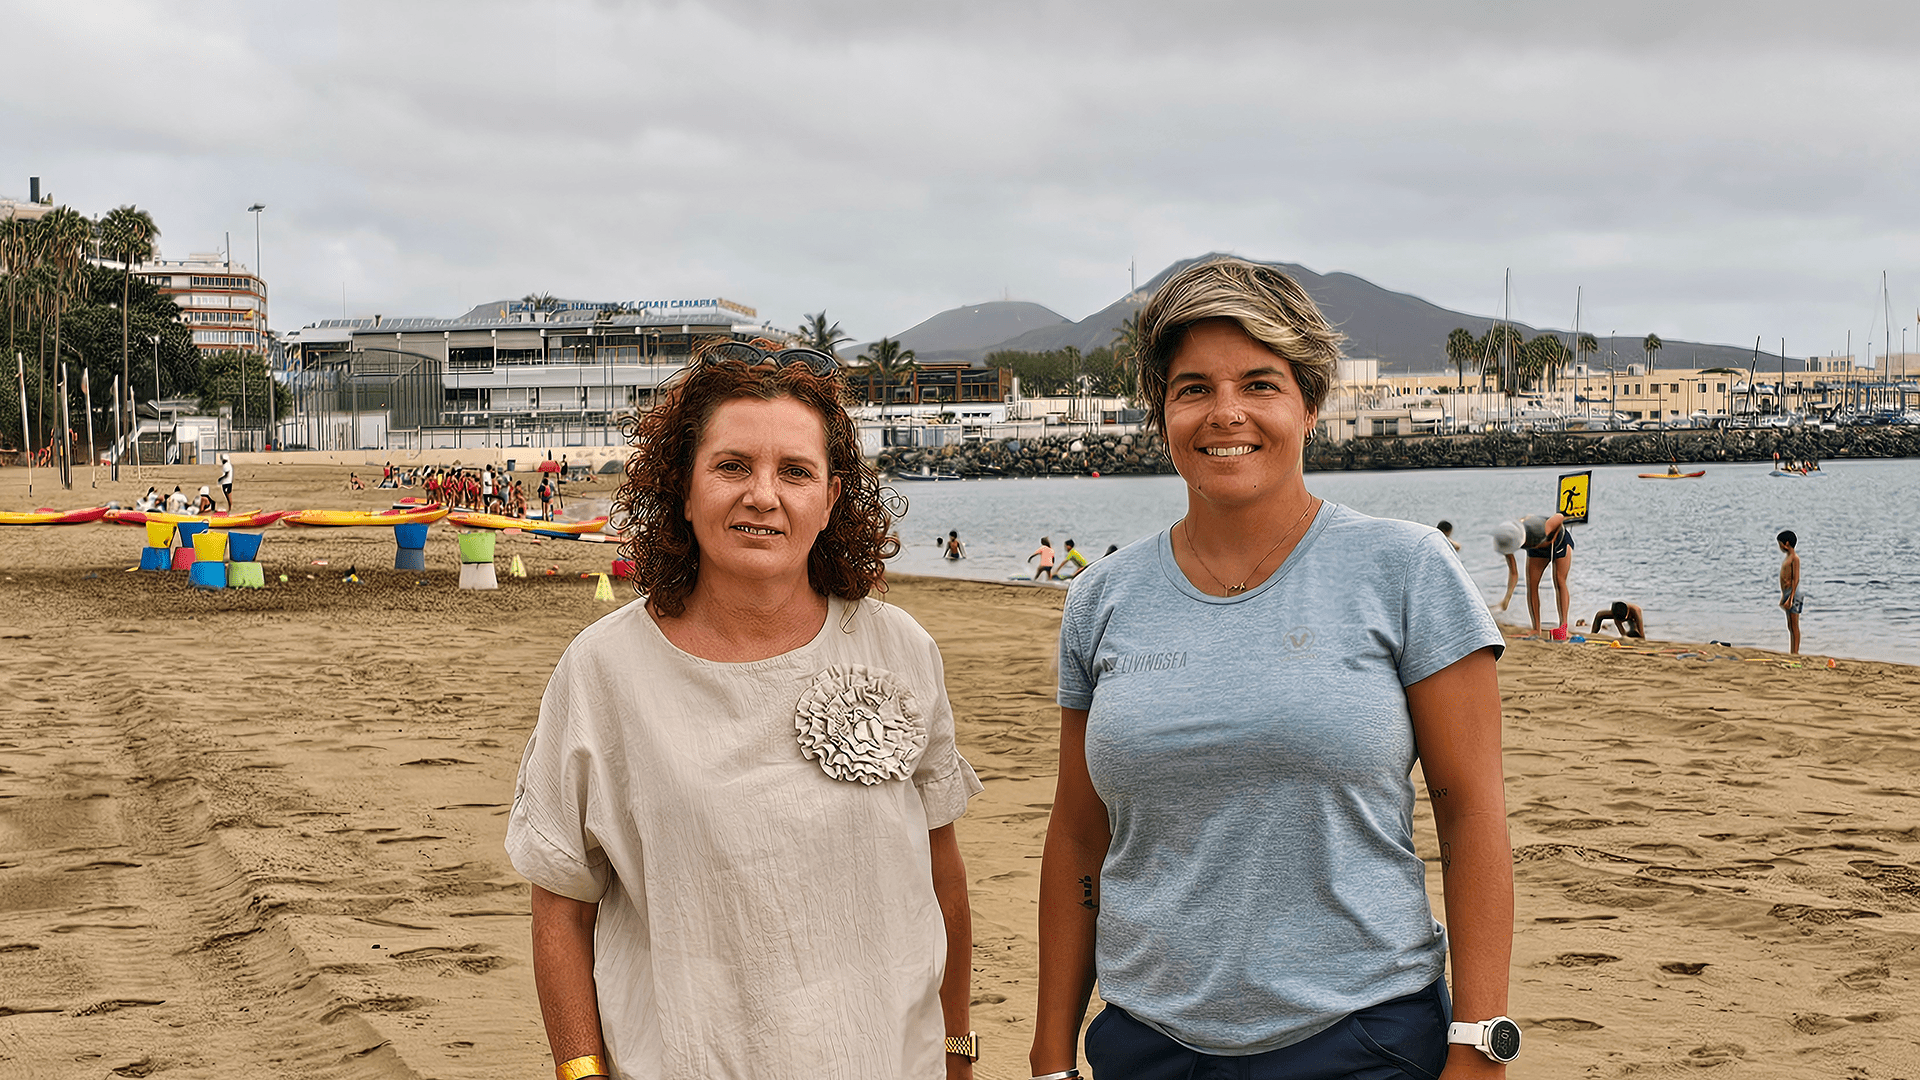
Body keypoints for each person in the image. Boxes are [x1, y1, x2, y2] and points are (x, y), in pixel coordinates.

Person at [1033, 257, 1514, 1080]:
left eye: (1260, 384)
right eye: (1193, 389)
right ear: (1162, 415)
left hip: (1359, 1040)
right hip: (1146, 1046)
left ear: (1309, 406)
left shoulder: (1405, 569)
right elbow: (1079, 835)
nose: (1226, 414)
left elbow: (1470, 812)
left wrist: (1479, 1040)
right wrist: (1051, 1049)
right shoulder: (1102, 598)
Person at [507, 340, 982, 1079]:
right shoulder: (604, 671)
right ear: (684, 489)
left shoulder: (900, 650)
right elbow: (560, 906)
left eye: (795, 472)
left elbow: (941, 875)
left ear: (829, 501)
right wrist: (581, 1073)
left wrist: (956, 1055)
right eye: (732, 466)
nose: (763, 494)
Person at [1492, 513, 1573, 635]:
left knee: (1559, 581)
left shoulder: (1540, 529)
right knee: (1532, 584)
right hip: (1536, 548)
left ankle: (1563, 628)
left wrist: (1552, 538)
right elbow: (1513, 573)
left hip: (1559, 542)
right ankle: (1536, 629)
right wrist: (1506, 599)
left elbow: (1559, 517)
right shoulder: (1506, 540)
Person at [1778, 529, 1802, 654]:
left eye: (1780, 544)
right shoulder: (1788, 558)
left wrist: (1791, 598)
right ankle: (1792, 650)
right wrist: (1784, 596)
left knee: (1794, 625)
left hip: (1794, 594)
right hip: (1787, 593)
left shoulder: (1795, 558)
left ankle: (1795, 652)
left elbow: (1795, 579)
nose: (1780, 547)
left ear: (1786, 544)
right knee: (1789, 625)